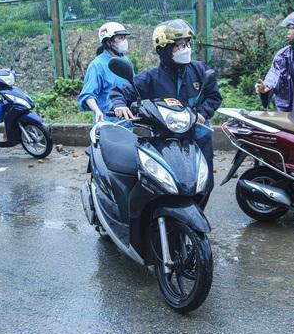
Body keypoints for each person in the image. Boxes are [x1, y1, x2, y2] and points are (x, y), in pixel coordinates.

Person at [110, 19, 222, 204]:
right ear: (164, 49)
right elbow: (123, 91)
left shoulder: (200, 70)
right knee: (164, 184)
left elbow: (213, 96)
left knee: (204, 184)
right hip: (166, 141)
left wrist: (202, 113)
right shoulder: (151, 77)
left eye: (186, 44)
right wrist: (119, 105)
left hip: (198, 136)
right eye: (178, 45)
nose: (185, 49)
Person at [77, 22, 134, 123]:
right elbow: (88, 95)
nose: (124, 41)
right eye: (120, 38)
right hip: (107, 123)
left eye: (124, 38)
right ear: (108, 42)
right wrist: (97, 111)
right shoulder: (97, 65)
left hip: (127, 121)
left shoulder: (126, 60)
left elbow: (135, 86)